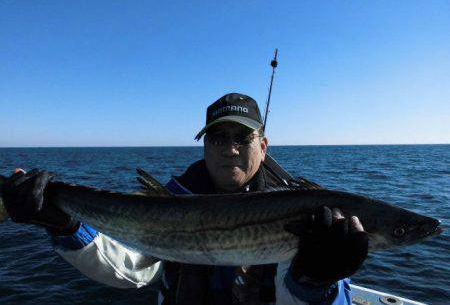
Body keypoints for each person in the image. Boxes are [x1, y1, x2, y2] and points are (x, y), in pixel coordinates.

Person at [1, 93, 368, 304]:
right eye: (217, 138)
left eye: (242, 138)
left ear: (264, 144)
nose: (229, 149)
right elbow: (135, 269)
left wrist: (316, 281)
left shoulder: (311, 213)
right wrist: (63, 224)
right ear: (204, 145)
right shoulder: (172, 200)